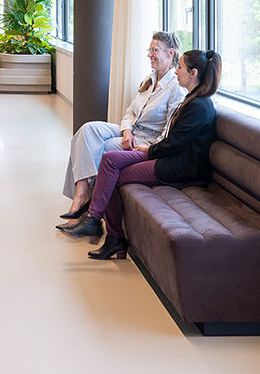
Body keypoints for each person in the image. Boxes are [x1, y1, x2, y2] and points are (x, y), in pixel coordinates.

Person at [62, 49, 222, 260]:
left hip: (177, 167)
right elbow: (173, 138)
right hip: (166, 156)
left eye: (180, 68)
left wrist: (150, 149)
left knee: (113, 173)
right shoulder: (192, 100)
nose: (176, 72)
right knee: (109, 160)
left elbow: (176, 142)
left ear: (193, 73)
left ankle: (109, 233)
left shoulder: (199, 105)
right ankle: (95, 221)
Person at [57, 32, 186, 224]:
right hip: (130, 130)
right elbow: (130, 112)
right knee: (86, 131)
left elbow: (169, 129)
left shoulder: (176, 88)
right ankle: (82, 192)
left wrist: (147, 148)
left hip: (146, 139)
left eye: (154, 50)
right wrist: (126, 131)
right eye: (149, 50)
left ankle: (85, 205)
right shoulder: (149, 80)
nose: (149, 54)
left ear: (170, 53)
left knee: (98, 147)